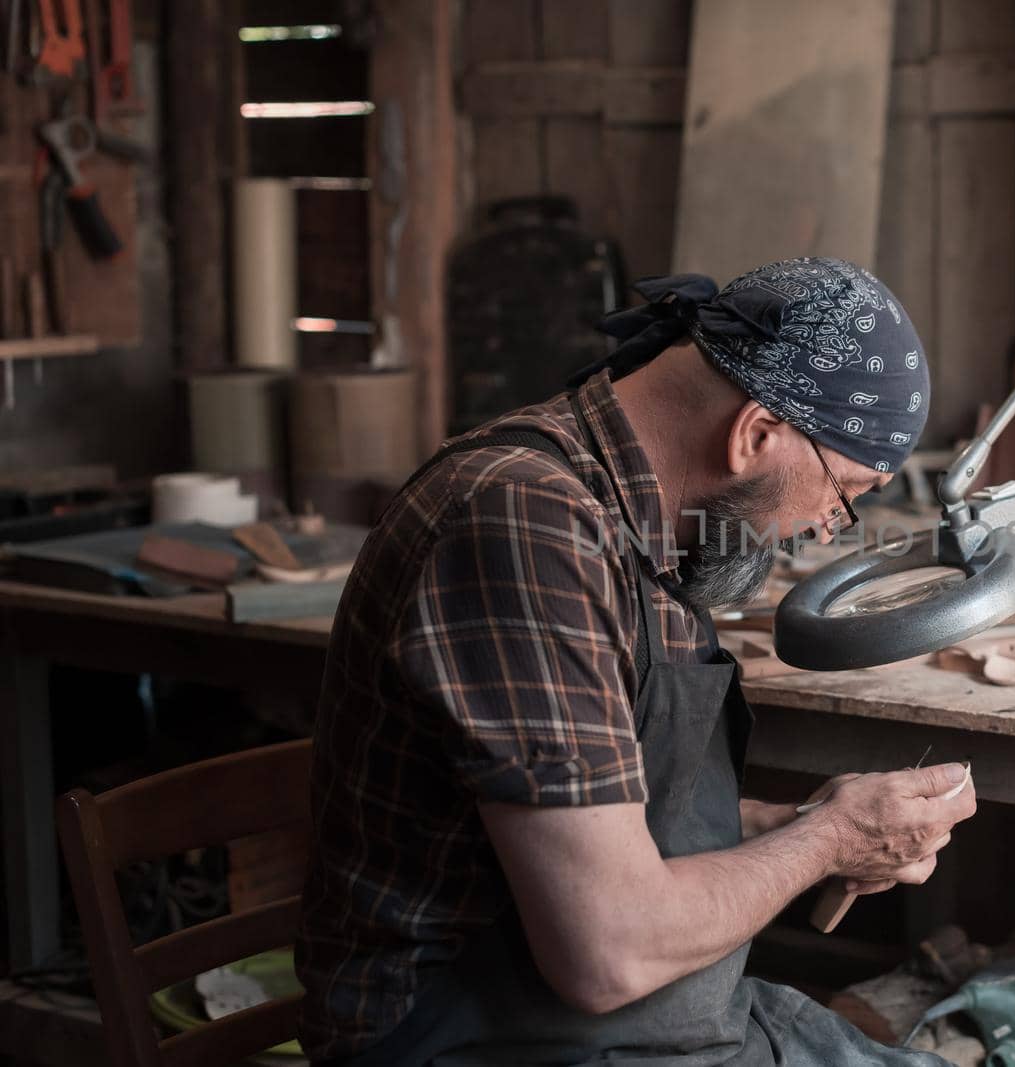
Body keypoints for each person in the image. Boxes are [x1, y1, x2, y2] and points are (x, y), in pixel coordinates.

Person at [296, 257, 977, 1065]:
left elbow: (614, 819)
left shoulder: (641, 519)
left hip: (638, 1022)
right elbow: (606, 950)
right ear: (755, 434)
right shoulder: (525, 524)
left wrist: (804, 824)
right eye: (846, 489)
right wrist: (826, 842)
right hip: (483, 1040)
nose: (832, 525)